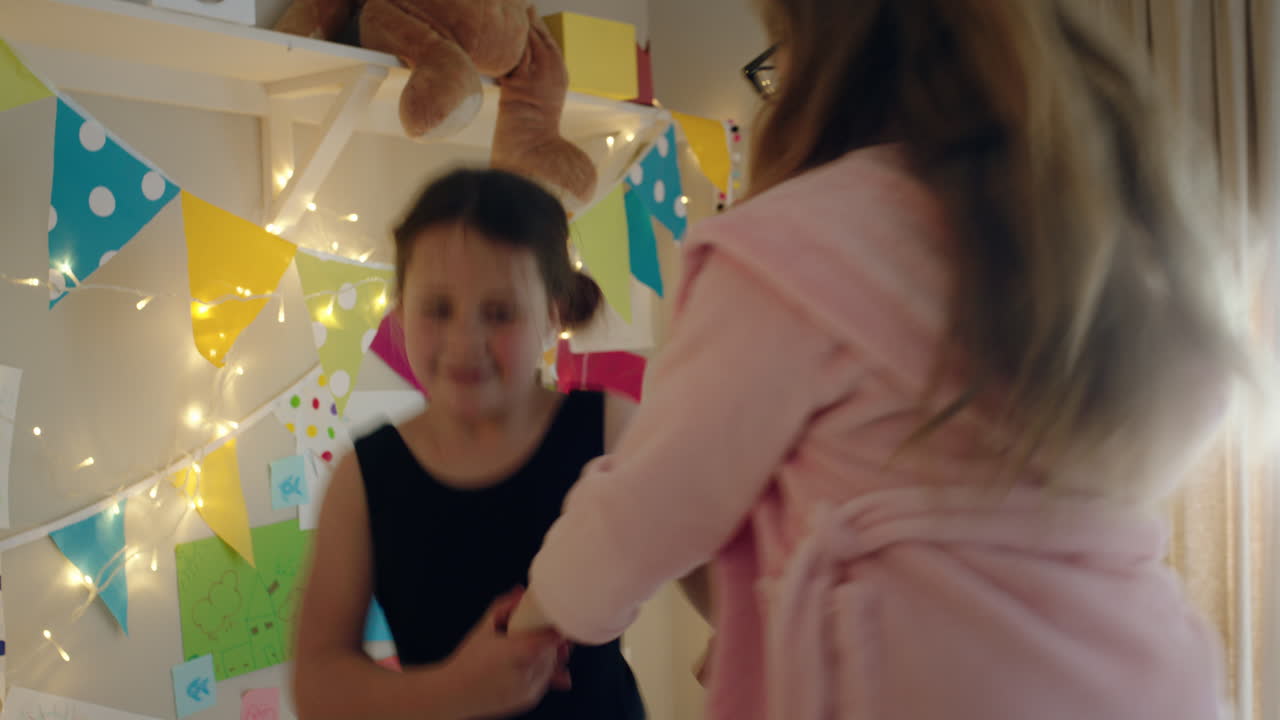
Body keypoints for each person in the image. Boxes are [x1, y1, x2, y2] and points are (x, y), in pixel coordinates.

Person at [509, 1, 1267, 718]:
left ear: (824, 52)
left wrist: (541, 612)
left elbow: (651, 507)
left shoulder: (796, 250)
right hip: (1150, 679)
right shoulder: (1074, 239)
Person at [292, 168, 646, 720]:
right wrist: (453, 692)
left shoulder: (609, 430)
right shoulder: (366, 478)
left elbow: (713, 557)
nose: (465, 341)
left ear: (552, 316)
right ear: (401, 313)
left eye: (500, 312)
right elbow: (316, 683)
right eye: (437, 308)